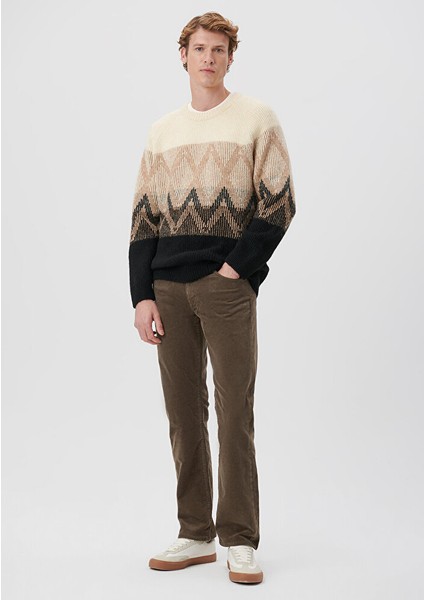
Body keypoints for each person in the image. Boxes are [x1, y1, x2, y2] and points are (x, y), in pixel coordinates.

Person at [128, 12, 296, 585]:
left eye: (218, 49)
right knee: (182, 413)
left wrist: (235, 269)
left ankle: (240, 539)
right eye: (199, 48)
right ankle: (195, 532)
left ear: (230, 57)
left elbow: (279, 203)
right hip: (167, 289)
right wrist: (142, 295)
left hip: (225, 289)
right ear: (183, 54)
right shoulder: (162, 131)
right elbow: (144, 219)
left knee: (234, 412)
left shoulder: (256, 118)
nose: (208, 58)